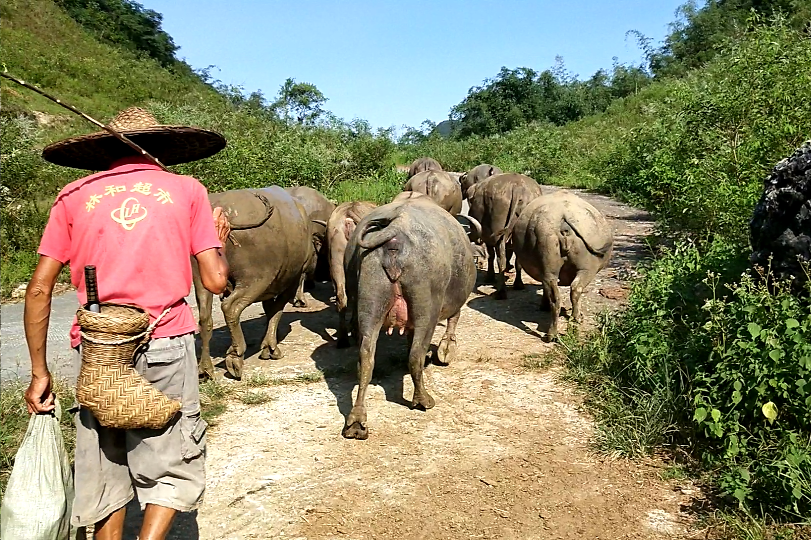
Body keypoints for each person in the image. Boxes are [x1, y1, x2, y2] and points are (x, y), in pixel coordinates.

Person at [23, 106, 231, 540]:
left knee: (103, 461)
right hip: (167, 343)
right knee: (171, 459)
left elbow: (40, 288)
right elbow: (214, 281)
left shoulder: (74, 194)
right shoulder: (187, 190)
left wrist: (39, 372)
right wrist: (220, 243)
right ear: (159, 149)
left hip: (99, 351)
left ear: (104, 150)